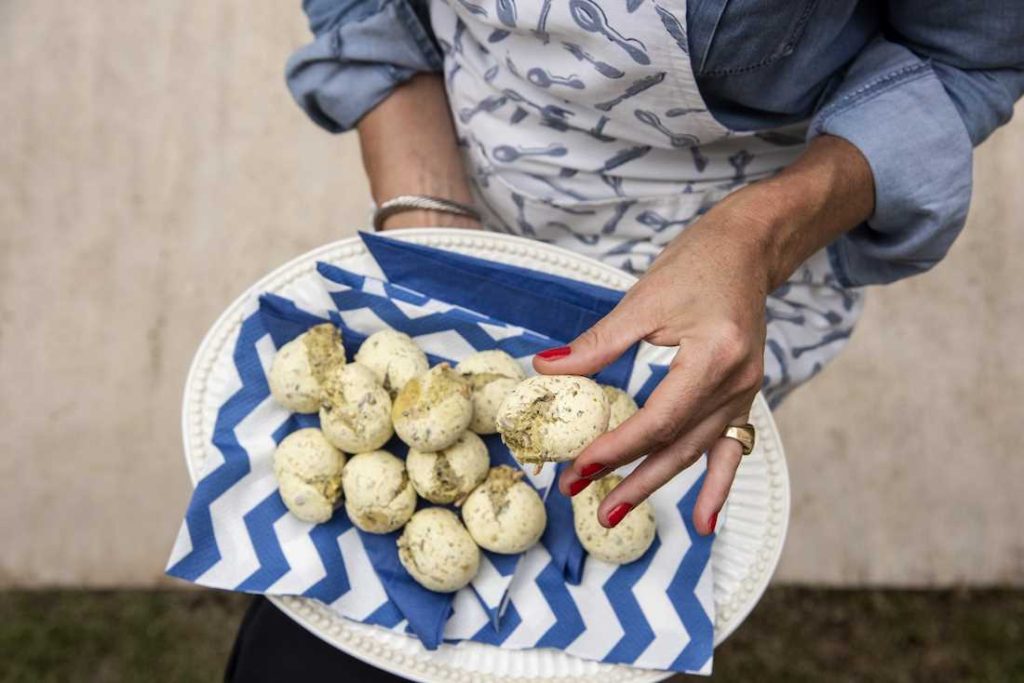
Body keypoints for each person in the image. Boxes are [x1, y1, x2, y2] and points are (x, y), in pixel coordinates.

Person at [226, 1, 1023, 679]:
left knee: (581, 637)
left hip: (713, 301)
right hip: (476, 216)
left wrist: (760, 235)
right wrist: (429, 219)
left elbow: (966, 55)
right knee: (332, 646)